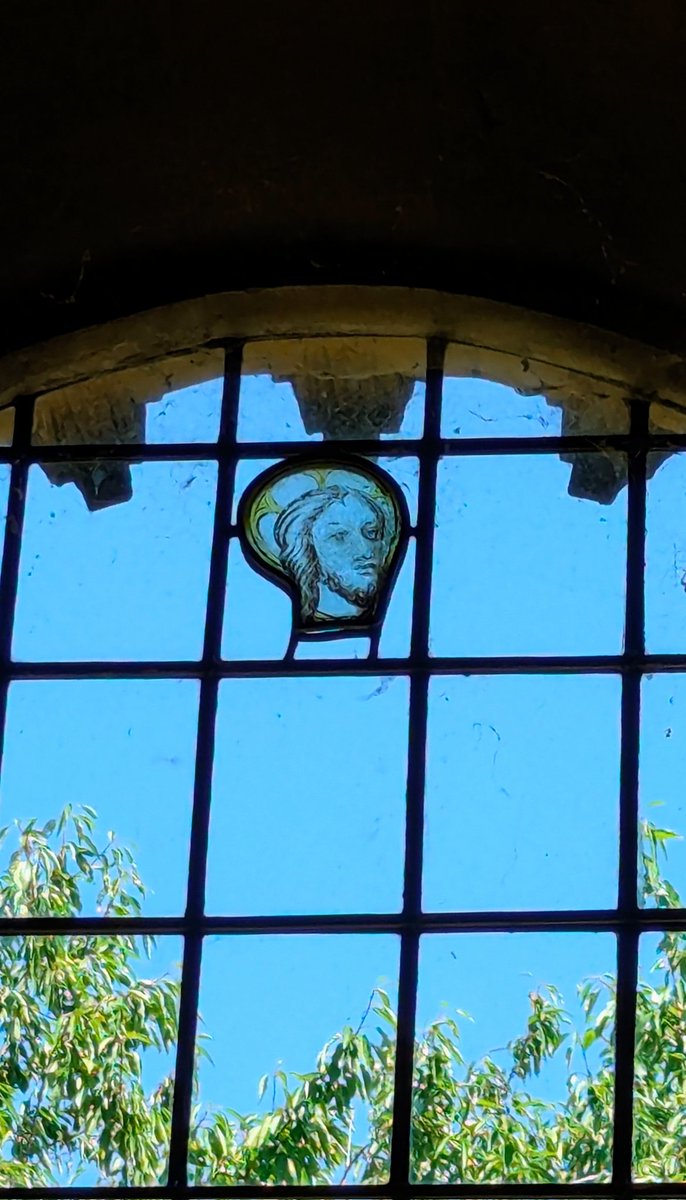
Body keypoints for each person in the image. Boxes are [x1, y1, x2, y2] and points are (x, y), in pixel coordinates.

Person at [273, 482, 392, 623]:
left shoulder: (397, 621)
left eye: (371, 533)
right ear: (308, 550)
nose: (366, 551)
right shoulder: (278, 621)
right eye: (339, 536)